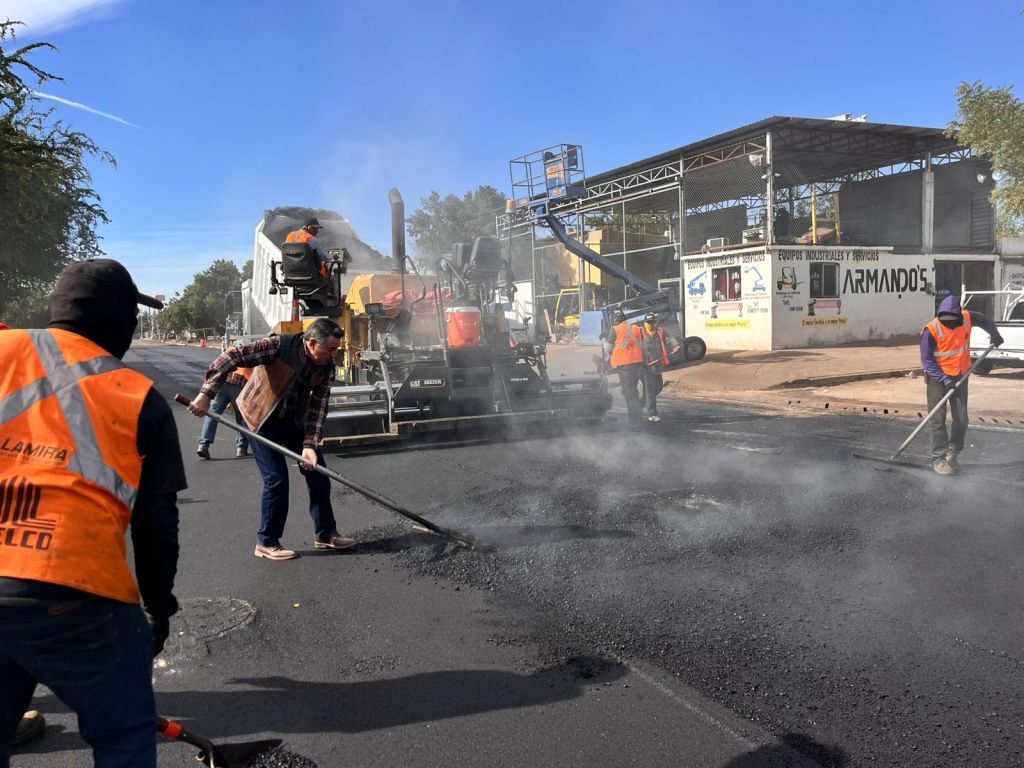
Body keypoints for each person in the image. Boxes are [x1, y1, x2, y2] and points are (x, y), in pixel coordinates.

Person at [0, 259, 185, 767]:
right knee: (123, 734)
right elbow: (156, 526)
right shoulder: (136, 395)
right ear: (122, 318)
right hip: (74, 594)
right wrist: (158, 607)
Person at [187, 318, 353, 560]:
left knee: (318, 473)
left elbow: (318, 408)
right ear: (312, 343)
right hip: (260, 419)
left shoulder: (326, 367)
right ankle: (266, 542)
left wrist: (309, 446)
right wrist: (206, 393)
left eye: (336, 349)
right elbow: (230, 357)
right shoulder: (279, 347)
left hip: (293, 420)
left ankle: (326, 534)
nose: (334, 354)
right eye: (330, 349)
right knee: (276, 480)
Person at [920, 295, 1003, 475]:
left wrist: (994, 333)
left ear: (959, 316)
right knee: (937, 419)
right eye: (946, 321)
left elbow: (984, 319)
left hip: (961, 376)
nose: (950, 324)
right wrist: (944, 379)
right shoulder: (931, 331)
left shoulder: (967, 317)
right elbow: (927, 362)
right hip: (937, 379)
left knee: (962, 419)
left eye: (953, 321)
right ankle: (938, 459)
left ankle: (953, 454)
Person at [196, 367, 252, 459]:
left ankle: (203, 445)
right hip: (240, 382)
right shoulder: (252, 353)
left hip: (223, 381)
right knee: (241, 416)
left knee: (213, 414)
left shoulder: (230, 353)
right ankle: (241, 448)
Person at [637, 312, 681, 423]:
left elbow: (670, 338)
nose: (651, 324)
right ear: (644, 322)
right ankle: (652, 413)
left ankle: (642, 401)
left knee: (658, 388)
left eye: (652, 322)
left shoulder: (660, 331)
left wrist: (676, 345)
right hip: (646, 366)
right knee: (651, 390)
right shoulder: (640, 332)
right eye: (648, 322)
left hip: (658, 365)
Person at [605, 310, 644, 426]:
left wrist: (603, 339)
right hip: (637, 363)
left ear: (616, 319)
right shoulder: (636, 328)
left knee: (628, 392)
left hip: (625, 364)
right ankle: (638, 416)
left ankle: (634, 420)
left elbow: (608, 348)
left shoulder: (615, 329)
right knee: (633, 390)